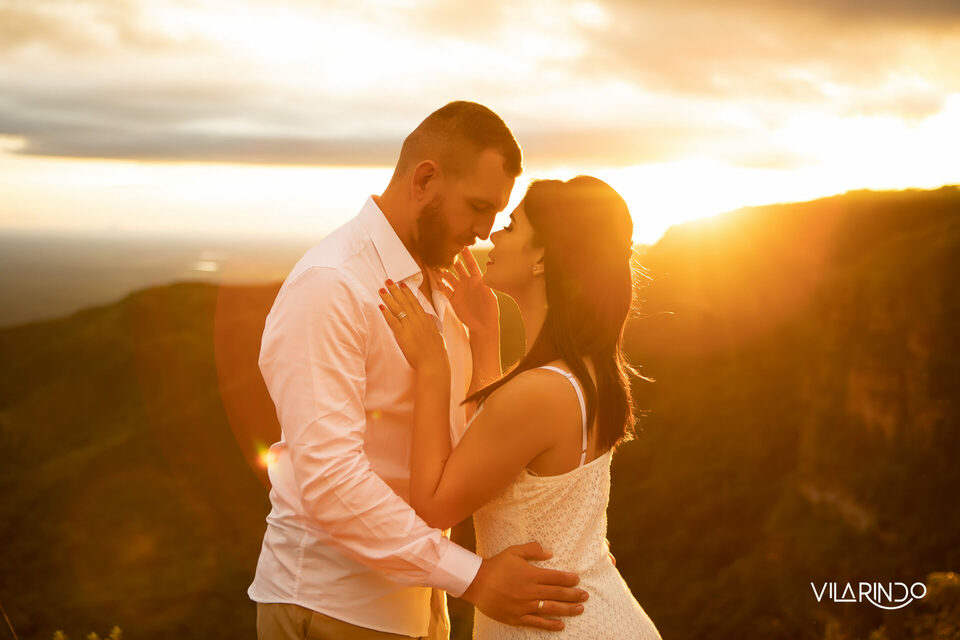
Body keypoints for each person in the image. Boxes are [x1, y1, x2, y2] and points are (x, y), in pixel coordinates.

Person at [248, 102, 590, 640]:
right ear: (425, 179)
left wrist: (485, 342)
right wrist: (472, 578)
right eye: (477, 207)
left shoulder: (441, 284)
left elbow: (459, 452)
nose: (482, 232)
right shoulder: (331, 286)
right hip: (332, 609)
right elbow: (329, 481)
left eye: (496, 215)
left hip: (423, 608)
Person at [377, 176, 664, 639]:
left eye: (511, 226)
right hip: (594, 615)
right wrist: (485, 335)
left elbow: (432, 508)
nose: (493, 236)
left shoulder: (539, 393)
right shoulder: (584, 372)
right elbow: (497, 446)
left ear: (543, 258)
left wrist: (433, 368)